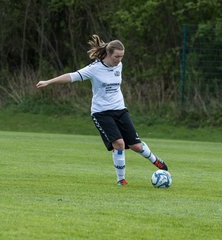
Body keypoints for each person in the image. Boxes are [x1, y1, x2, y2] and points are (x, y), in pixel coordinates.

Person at [36, 34, 168, 186]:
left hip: (120, 109)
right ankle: (121, 180)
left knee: (136, 146)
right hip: (101, 113)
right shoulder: (94, 69)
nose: (119, 60)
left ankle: (156, 161)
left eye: (122, 57)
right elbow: (71, 76)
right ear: (108, 54)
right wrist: (48, 82)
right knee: (119, 144)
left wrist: (119, 62)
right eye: (116, 56)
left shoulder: (119, 65)